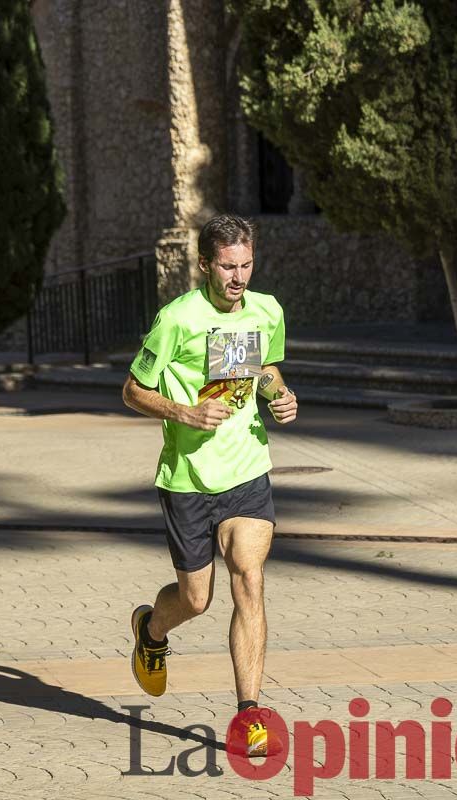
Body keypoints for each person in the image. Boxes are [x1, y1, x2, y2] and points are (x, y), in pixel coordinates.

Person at [121, 213, 297, 758]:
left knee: (249, 579)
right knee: (197, 599)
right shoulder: (177, 319)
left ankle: (250, 715)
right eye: (227, 266)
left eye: (246, 264)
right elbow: (131, 390)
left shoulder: (267, 311)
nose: (238, 276)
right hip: (188, 479)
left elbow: (264, 369)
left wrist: (280, 394)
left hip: (247, 469)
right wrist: (182, 411)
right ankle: (151, 631)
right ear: (204, 265)